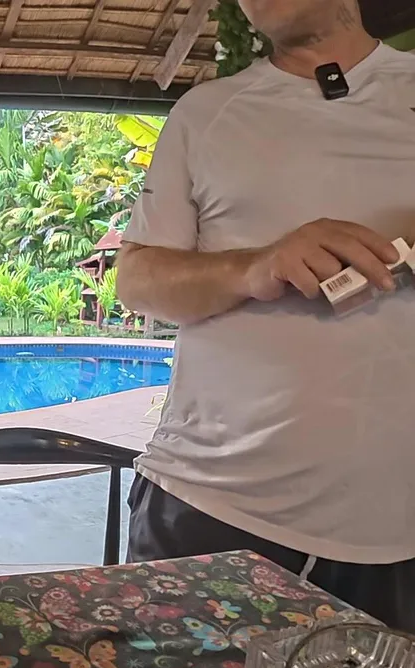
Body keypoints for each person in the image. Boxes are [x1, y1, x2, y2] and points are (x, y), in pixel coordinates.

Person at [117, 0, 415, 629]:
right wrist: (256, 268)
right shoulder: (206, 114)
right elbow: (137, 280)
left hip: (396, 537)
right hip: (208, 507)